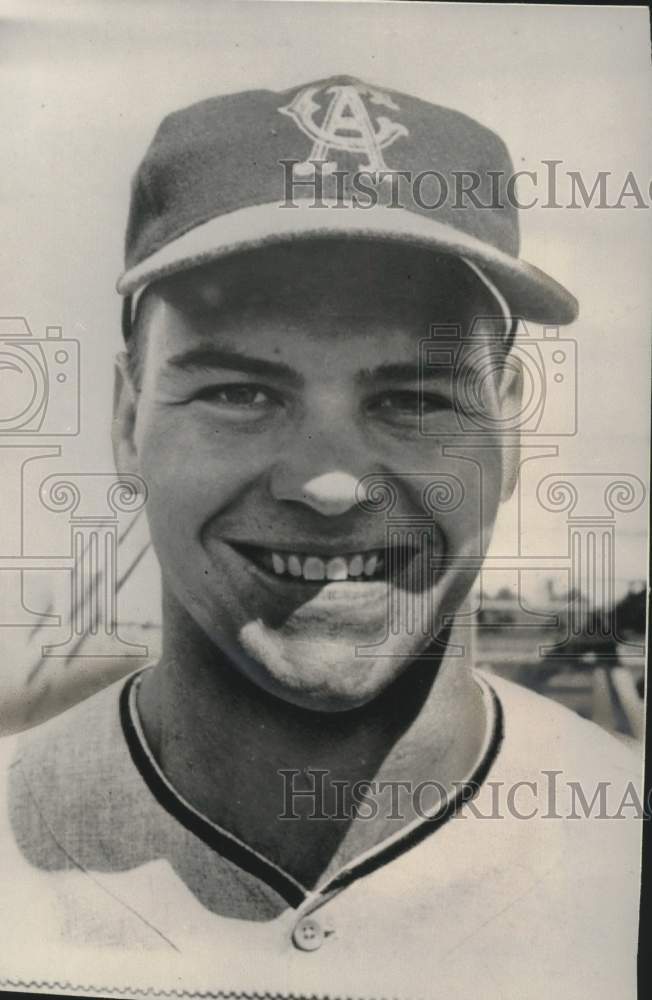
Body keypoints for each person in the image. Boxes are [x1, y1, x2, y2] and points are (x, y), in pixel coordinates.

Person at [0, 77, 641, 1000]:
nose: (330, 485)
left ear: (510, 427)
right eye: (240, 393)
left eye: (413, 399)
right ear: (127, 416)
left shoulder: (623, 853)